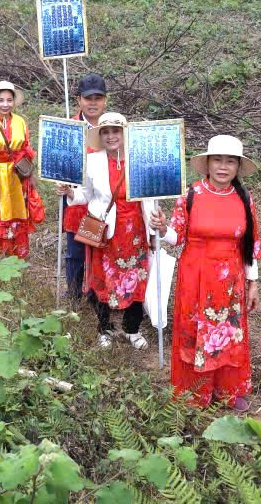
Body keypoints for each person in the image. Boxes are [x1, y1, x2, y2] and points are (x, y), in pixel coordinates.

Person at [148, 135, 261, 410]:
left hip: (230, 281)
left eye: (230, 162)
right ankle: (195, 394)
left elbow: (250, 244)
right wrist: (163, 229)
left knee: (227, 332)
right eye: (218, 160)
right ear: (208, 164)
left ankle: (227, 391)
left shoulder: (244, 200)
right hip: (195, 277)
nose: (223, 167)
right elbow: (176, 238)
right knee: (194, 332)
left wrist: (253, 281)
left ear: (237, 167)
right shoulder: (191, 196)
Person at [58, 112, 154, 349]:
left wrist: (154, 229)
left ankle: (132, 328)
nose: (111, 136)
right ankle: (104, 328)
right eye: (106, 132)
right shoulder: (93, 161)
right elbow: (85, 194)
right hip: (105, 229)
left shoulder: (140, 159)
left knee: (136, 278)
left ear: (124, 134)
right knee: (102, 279)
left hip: (135, 231)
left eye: (116, 131)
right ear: (100, 136)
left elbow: (152, 197)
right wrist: (70, 193)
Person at [0, 81, 45, 258]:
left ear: (14, 102)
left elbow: (27, 147)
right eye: (1, 100)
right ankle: (4, 254)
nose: (5, 104)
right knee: (0, 213)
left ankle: (20, 254)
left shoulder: (21, 122)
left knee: (20, 212)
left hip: (18, 176)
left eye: (9, 100)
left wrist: (29, 176)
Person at [63, 74, 109, 301]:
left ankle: (99, 294)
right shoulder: (70, 128)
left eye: (98, 98)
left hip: (104, 201)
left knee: (103, 247)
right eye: (88, 98)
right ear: (79, 100)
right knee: (76, 250)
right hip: (77, 195)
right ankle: (73, 294)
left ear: (105, 101)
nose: (93, 103)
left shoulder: (112, 127)